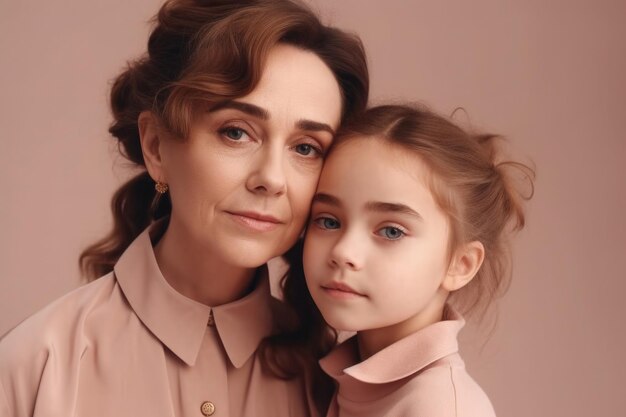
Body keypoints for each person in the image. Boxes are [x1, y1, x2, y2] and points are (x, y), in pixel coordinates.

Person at [0, 1, 368, 416]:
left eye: (306, 148)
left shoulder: (333, 380)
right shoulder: (33, 367)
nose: (273, 178)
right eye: (236, 132)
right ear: (156, 146)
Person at [295, 104, 534, 416]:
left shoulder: (443, 407)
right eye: (328, 221)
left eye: (391, 231)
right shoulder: (331, 381)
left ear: (460, 264)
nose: (343, 252)